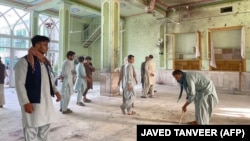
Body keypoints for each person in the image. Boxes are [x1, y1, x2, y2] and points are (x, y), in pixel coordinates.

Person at [14, 35, 61, 140]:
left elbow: (50, 80)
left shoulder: (44, 62)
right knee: (31, 128)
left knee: (45, 128)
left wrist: (56, 91)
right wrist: (25, 102)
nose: (47, 47)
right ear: (37, 45)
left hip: (46, 102)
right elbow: (19, 84)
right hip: (33, 102)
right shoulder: (24, 62)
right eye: (45, 45)